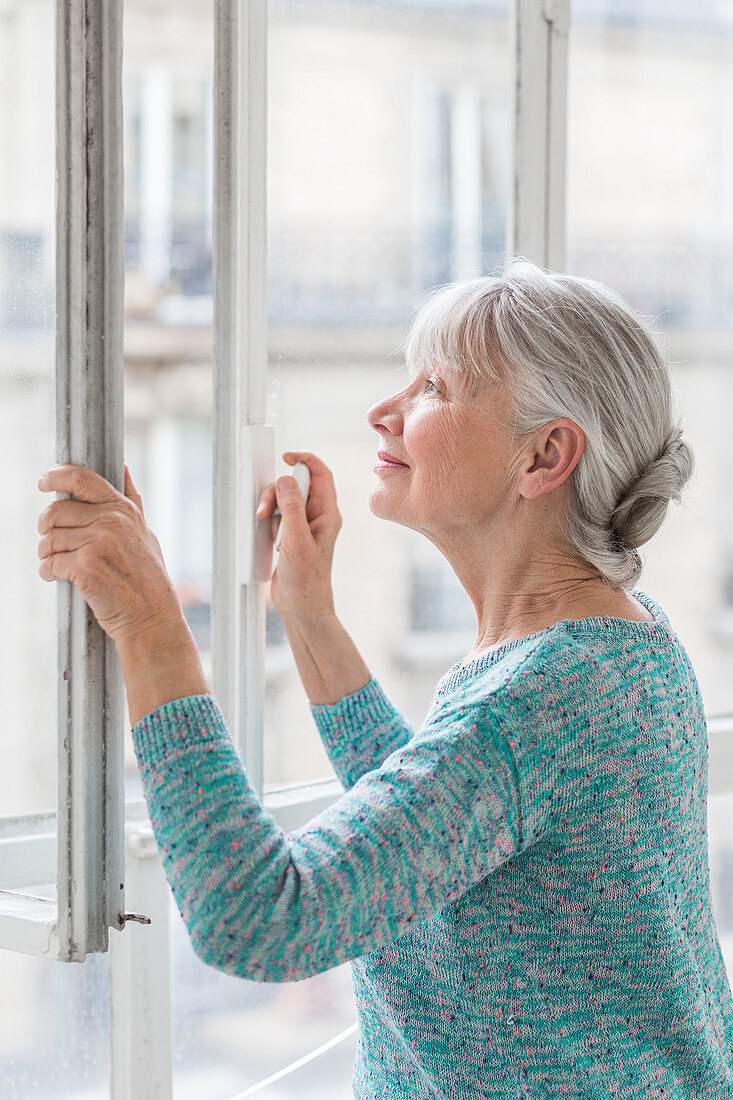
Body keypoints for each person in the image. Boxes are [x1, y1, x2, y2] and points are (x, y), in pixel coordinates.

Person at [36, 258, 733, 1097]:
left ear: (544, 456)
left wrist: (149, 627)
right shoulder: (619, 642)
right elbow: (443, 835)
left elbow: (259, 921)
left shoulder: (545, 696)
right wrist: (308, 616)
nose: (383, 412)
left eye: (434, 386)